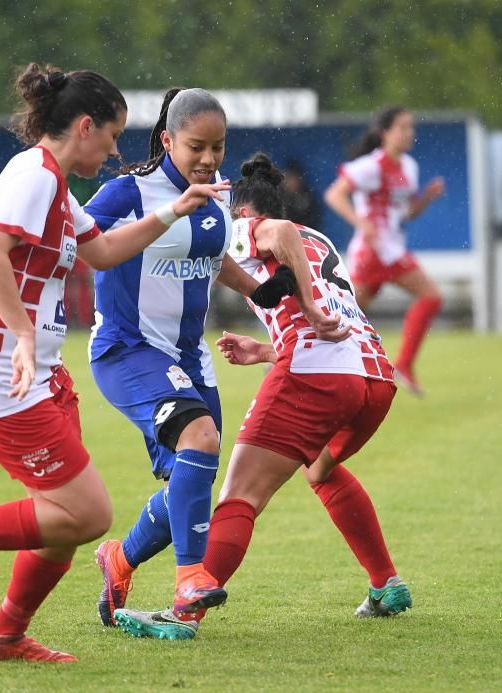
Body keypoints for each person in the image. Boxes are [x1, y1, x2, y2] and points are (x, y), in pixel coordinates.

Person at [0, 64, 231, 663]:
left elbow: (101, 252)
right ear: (84, 125)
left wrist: (174, 212)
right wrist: (23, 335)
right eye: (113, 135)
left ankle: (4, 636)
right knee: (87, 512)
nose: (118, 149)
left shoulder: (56, 188)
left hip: (33, 373)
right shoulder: (33, 176)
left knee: (63, 518)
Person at [113, 154, 411, 640]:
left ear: (244, 211)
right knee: (319, 468)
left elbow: (281, 240)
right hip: (371, 378)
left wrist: (308, 309)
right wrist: (268, 350)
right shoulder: (322, 239)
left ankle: (183, 614)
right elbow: (337, 323)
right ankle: (386, 583)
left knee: (239, 496)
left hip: (316, 375)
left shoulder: (249, 227)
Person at [85, 89, 320, 628]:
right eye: (197, 146)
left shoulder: (213, 196)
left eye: (218, 147)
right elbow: (78, 239)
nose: (209, 159)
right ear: (167, 140)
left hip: (188, 358)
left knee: (190, 482)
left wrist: (258, 291)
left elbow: (210, 258)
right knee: (201, 440)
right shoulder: (129, 192)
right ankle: (191, 578)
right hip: (128, 350)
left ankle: (119, 559)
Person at [323, 105, 445, 396]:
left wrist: (426, 197)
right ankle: (403, 364)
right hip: (375, 250)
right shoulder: (372, 166)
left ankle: (295, 355)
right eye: (402, 127)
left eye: (411, 127)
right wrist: (361, 222)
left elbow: (406, 213)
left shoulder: (409, 167)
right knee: (431, 296)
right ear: (385, 133)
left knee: (346, 316)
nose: (408, 133)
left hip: (390, 248)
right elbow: (334, 194)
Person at [282, 160, 321, 229]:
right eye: (289, 178)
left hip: (304, 234)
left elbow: (314, 219)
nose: (292, 182)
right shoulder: (280, 196)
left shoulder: (307, 197)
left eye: (294, 178)